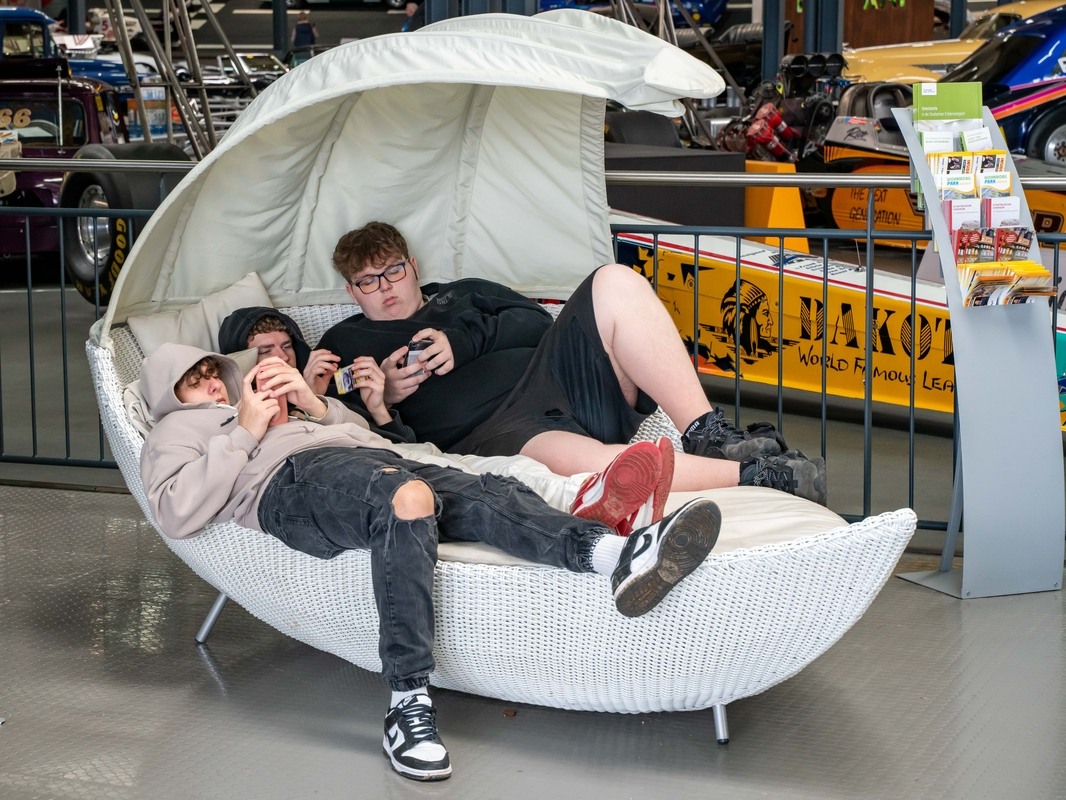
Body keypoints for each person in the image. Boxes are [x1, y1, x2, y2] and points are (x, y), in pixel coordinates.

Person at [139, 343, 721, 781]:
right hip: (290, 485)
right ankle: (406, 702)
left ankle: (617, 554)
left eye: (212, 372)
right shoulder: (176, 431)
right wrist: (243, 430)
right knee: (404, 500)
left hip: (370, 458)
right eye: (194, 381)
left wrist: (313, 406)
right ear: (171, 397)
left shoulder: (282, 411)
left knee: (489, 493)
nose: (211, 382)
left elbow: (365, 435)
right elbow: (174, 509)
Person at [318, 221, 827, 504]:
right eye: (368, 281)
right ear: (351, 291)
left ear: (412, 266)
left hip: (558, 376)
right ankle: (763, 476)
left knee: (614, 279)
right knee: (577, 463)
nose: (385, 288)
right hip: (498, 431)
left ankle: (706, 432)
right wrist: (385, 398)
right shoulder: (346, 339)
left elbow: (537, 322)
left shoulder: (463, 294)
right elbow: (333, 411)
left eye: (393, 271)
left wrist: (463, 340)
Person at [217, 306, 673, 532]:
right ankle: (599, 507)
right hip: (370, 476)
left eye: (286, 347)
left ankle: (613, 503)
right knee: (500, 478)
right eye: (264, 351)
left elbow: (388, 439)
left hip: (408, 455)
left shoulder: (326, 386)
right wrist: (311, 404)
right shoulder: (246, 412)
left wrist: (374, 404)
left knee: (505, 473)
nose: (279, 357)